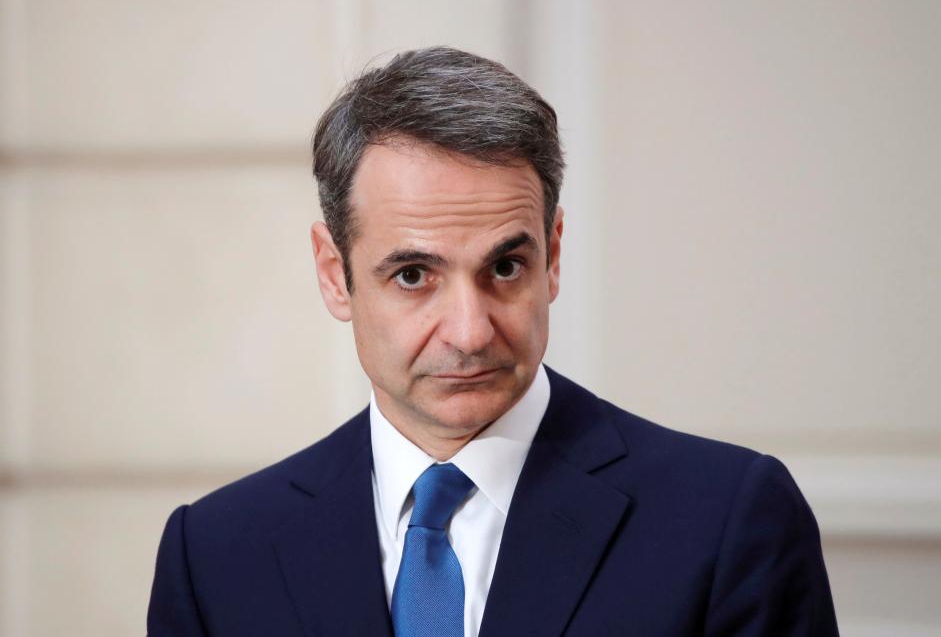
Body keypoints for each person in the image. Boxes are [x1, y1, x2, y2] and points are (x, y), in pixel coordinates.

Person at [147, 46, 839, 637]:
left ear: (554, 254)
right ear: (336, 275)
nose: (471, 331)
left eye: (505, 267)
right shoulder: (213, 556)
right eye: (414, 275)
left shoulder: (728, 522)